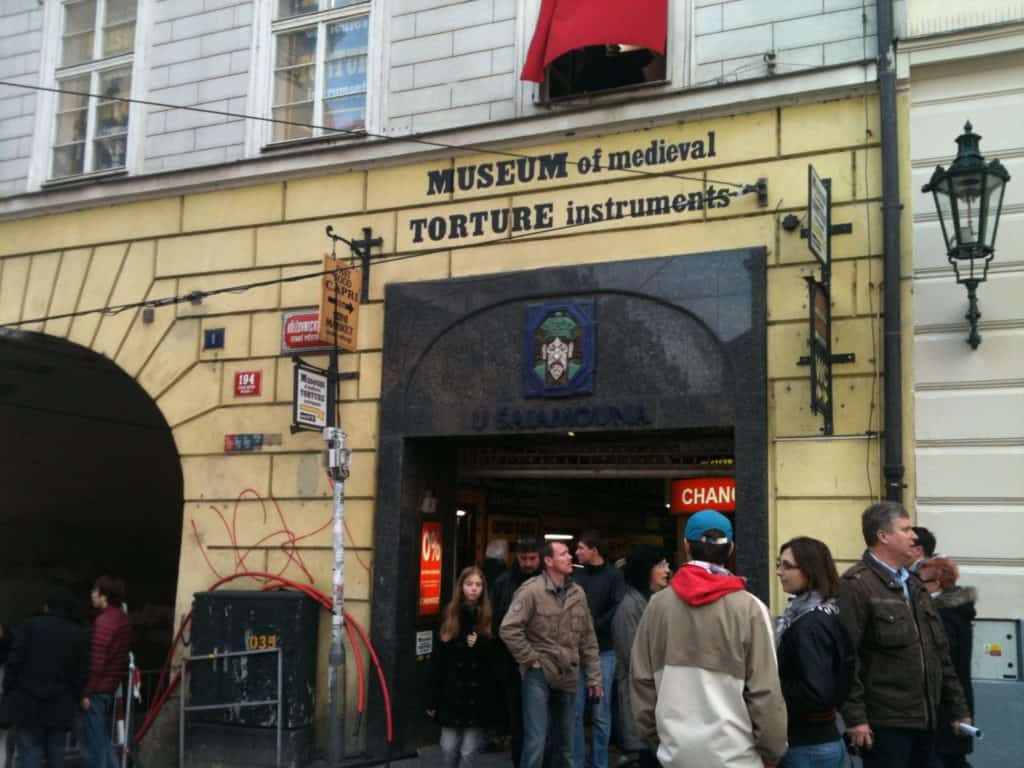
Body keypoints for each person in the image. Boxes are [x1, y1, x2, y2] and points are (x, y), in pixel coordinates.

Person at [630, 509, 787, 768]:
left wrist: (659, 741)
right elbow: (765, 692)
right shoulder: (751, 608)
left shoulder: (657, 606)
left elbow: (641, 683)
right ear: (731, 549)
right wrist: (772, 752)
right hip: (739, 758)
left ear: (686, 545)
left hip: (675, 757)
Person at [839, 502, 970, 768]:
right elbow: (846, 658)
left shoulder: (915, 585)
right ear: (883, 536)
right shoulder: (857, 585)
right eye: (906, 529)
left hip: (926, 719)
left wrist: (958, 709)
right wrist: (856, 719)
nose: (914, 536)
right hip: (885, 723)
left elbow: (939, 652)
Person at [499, 540, 602, 768]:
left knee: (566, 744)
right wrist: (530, 659)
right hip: (539, 673)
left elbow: (588, 639)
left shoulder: (578, 593)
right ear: (548, 561)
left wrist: (595, 678)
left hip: (568, 673)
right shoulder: (532, 591)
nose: (570, 558)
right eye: (564, 554)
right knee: (536, 741)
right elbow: (508, 628)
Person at [774, 537, 854, 768]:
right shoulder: (830, 610)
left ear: (810, 569)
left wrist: (771, 686)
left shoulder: (809, 623)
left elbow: (815, 692)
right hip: (823, 738)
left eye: (787, 566)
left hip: (806, 745)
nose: (779, 572)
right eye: (779, 564)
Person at [3, 588, 88, 768]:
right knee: (56, 753)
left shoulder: (29, 626)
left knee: (30, 753)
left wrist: (8, 690)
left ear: (47, 607)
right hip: (60, 706)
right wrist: (76, 697)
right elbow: (80, 674)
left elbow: (14, 662)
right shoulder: (77, 634)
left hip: (27, 704)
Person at [427, 567, 500, 768]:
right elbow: (438, 661)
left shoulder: (488, 617)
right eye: (469, 584)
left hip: (477, 696)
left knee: (469, 751)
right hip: (451, 692)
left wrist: (481, 645)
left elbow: (496, 659)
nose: (474, 589)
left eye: (478, 584)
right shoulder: (449, 615)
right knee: (448, 747)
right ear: (461, 587)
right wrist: (432, 699)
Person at [611, 545, 670, 768]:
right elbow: (632, 660)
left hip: (656, 703)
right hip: (641, 706)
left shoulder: (655, 601)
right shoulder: (629, 608)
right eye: (661, 565)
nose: (667, 570)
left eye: (667, 564)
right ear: (646, 570)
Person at [918, 557, 977, 768]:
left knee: (944, 759)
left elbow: (943, 662)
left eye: (921, 582)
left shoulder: (941, 616)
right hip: (957, 700)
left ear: (937, 582)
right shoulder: (958, 612)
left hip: (945, 704)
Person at [573, 530, 625, 768]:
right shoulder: (575, 575)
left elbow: (617, 606)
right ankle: (577, 762)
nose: (577, 552)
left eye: (581, 548)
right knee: (575, 712)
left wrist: (594, 625)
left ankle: (599, 763)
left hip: (604, 651)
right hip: (577, 651)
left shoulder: (614, 576)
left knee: (600, 714)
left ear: (593, 550)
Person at [491, 538, 542, 768]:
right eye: (524, 558)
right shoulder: (504, 583)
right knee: (519, 719)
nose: (528, 563)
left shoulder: (548, 580)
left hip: (541, 659)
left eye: (532, 559)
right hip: (511, 660)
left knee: (538, 719)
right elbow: (496, 622)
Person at [79, 576, 131, 768]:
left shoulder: (105, 621)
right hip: (109, 686)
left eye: (95, 591)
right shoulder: (121, 618)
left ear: (104, 597)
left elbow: (98, 660)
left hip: (97, 689)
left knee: (95, 743)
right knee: (101, 738)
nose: (92, 595)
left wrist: (86, 691)